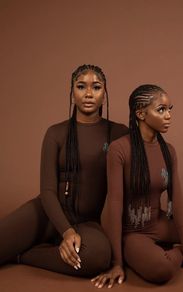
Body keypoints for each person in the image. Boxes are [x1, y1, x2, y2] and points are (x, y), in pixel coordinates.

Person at [91, 84, 183, 288]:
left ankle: (178, 248)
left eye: (169, 109)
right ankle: (173, 251)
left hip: (159, 223)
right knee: (162, 269)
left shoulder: (168, 150)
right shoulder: (119, 149)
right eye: (161, 110)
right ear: (140, 113)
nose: (168, 115)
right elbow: (114, 206)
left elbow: (177, 200)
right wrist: (116, 263)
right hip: (132, 233)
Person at [0, 64, 128, 277]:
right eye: (81, 86)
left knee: (97, 257)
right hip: (47, 214)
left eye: (96, 87)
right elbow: (47, 190)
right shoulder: (56, 133)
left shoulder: (117, 133)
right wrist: (67, 232)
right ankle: (40, 241)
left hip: (87, 222)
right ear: (72, 95)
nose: (88, 93)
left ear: (104, 95)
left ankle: (22, 254)